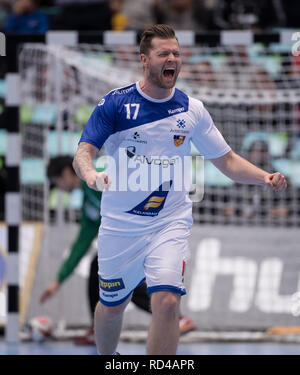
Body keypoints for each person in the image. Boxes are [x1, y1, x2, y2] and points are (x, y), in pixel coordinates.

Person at [72, 24, 287, 355]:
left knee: (169, 302)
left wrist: (264, 177)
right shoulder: (115, 105)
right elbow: (83, 152)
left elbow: (227, 160)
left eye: (176, 53)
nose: (172, 58)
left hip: (169, 220)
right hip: (121, 224)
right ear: (145, 60)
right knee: (112, 307)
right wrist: (90, 175)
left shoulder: (192, 110)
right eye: (163, 53)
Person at [40, 156, 195, 345]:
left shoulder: (101, 178)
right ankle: (99, 329)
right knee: (101, 268)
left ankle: (173, 318)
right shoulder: (89, 201)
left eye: (58, 183)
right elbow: (81, 243)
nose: (61, 189)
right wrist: (59, 281)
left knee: (119, 275)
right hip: (131, 237)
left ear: (65, 173)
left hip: (149, 227)